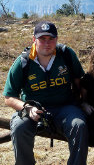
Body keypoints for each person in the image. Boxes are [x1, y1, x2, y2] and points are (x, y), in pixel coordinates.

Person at [3, 21, 88, 165]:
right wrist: (27, 108)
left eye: (51, 39)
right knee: (18, 127)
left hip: (65, 107)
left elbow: (80, 81)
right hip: (33, 110)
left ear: (57, 39)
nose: (47, 43)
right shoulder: (23, 62)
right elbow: (9, 96)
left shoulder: (66, 54)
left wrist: (84, 101)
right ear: (34, 39)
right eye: (42, 39)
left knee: (79, 125)